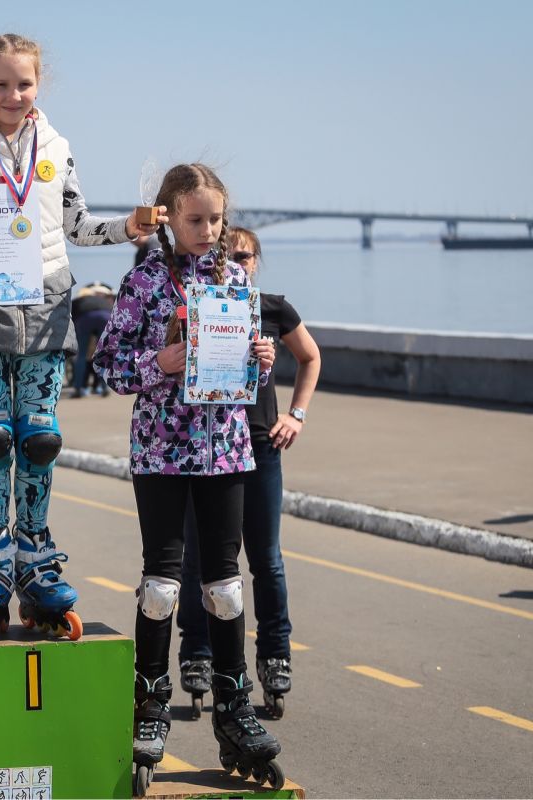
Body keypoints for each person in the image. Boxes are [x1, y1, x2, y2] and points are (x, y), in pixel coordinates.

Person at [0, 33, 162, 646]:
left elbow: (76, 225)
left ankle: (36, 557)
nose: (13, 95)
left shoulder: (57, 149)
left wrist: (127, 227)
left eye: (24, 84)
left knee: (40, 440)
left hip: (47, 301)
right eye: (0, 84)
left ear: (38, 85)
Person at [93, 165, 283, 793]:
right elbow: (109, 366)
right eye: (195, 219)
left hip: (225, 449)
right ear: (169, 217)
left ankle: (235, 707)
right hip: (162, 452)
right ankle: (151, 702)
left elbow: (245, 375)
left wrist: (261, 360)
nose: (207, 230)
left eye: (216, 219)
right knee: (162, 586)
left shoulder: (236, 281)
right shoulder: (145, 281)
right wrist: (161, 361)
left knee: (225, 586)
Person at [175, 227, 321, 721]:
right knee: (199, 561)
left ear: (256, 260)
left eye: (244, 255)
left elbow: (311, 357)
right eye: (228, 254)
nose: (237, 262)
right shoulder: (193, 304)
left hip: (260, 445)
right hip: (205, 449)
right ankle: (197, 653)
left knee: (266, 559)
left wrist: (295, 416)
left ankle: (275, 655)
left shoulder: (272, 308)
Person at [70, 281, 115, 398]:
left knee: (81, 355)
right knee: (103, 354)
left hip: (84, 318)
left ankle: (78, 389)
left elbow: (71, 320)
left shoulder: (77, 300)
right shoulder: (102, 300)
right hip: (105, 316)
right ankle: (104, 388)